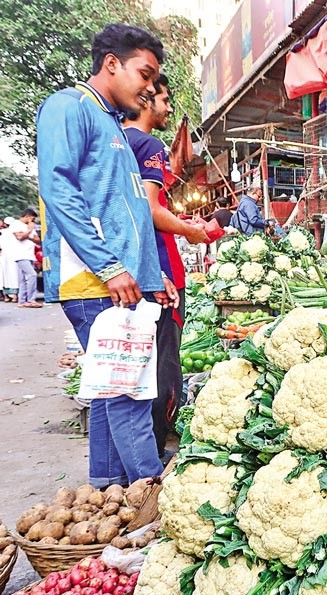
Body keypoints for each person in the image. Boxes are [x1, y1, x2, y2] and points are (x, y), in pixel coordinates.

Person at [36, 23, 174, 488]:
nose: (149, 87)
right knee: (129, 394)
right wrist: (109, 266)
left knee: (110, 393)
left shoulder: (110, 124)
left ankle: (111, 500)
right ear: (111, 64)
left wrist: (151, 275)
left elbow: (131, 211)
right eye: (144, 73)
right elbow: (59, 190)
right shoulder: (69, 107)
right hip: (94, 281)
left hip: (118, 281)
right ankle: (152, 501)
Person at [123, 73, 209, 460]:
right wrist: (191, 231)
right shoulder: (149, 144)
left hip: (131, 272)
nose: (170, 108)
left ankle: (140, 450)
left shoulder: (115, 143)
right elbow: (151, 209)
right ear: (145, 99)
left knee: (136, 368)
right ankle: (156, 454)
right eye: (164, 100)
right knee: (164, 368)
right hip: (160, 273)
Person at [7, 208, 41, 307]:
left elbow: (37, 240)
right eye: (32, 218)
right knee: (32, 275)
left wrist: (28, 235)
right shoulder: (16, 224)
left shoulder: (29, 226)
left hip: (29, 255)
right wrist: (29, 230)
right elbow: (19, 237)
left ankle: (22, 301)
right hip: (20, 255)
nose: (33, 221)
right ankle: (31, 300)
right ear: (27, 217)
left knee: (23, 279)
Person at [0, 217, 20, 302]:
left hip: (4, 256)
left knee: (4, 276)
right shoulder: (15, 232)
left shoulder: (2, 233)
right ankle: (15, 296)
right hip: (14, 256)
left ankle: (6, 296)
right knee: (14, 276)